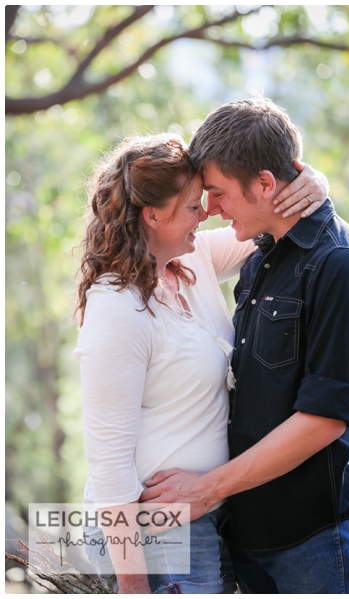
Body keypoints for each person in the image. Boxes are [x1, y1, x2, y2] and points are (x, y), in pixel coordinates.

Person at [140, 98, 349, 593]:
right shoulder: (260, 254)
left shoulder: (342, 266)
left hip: (310, 540)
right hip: (244, 534)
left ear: (266, 184)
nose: (209, 208)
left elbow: (324, 419)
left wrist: (206, 490)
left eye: (217, 192)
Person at [74, 133, 327, 593]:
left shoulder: (193, 263)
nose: (207, 212)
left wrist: (314, 182)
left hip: (205, 515)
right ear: (153, 215)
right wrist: (134, 586)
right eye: (194, 205)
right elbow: (109, 467)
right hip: (155, 531)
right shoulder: (116, 307)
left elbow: (273, 219)